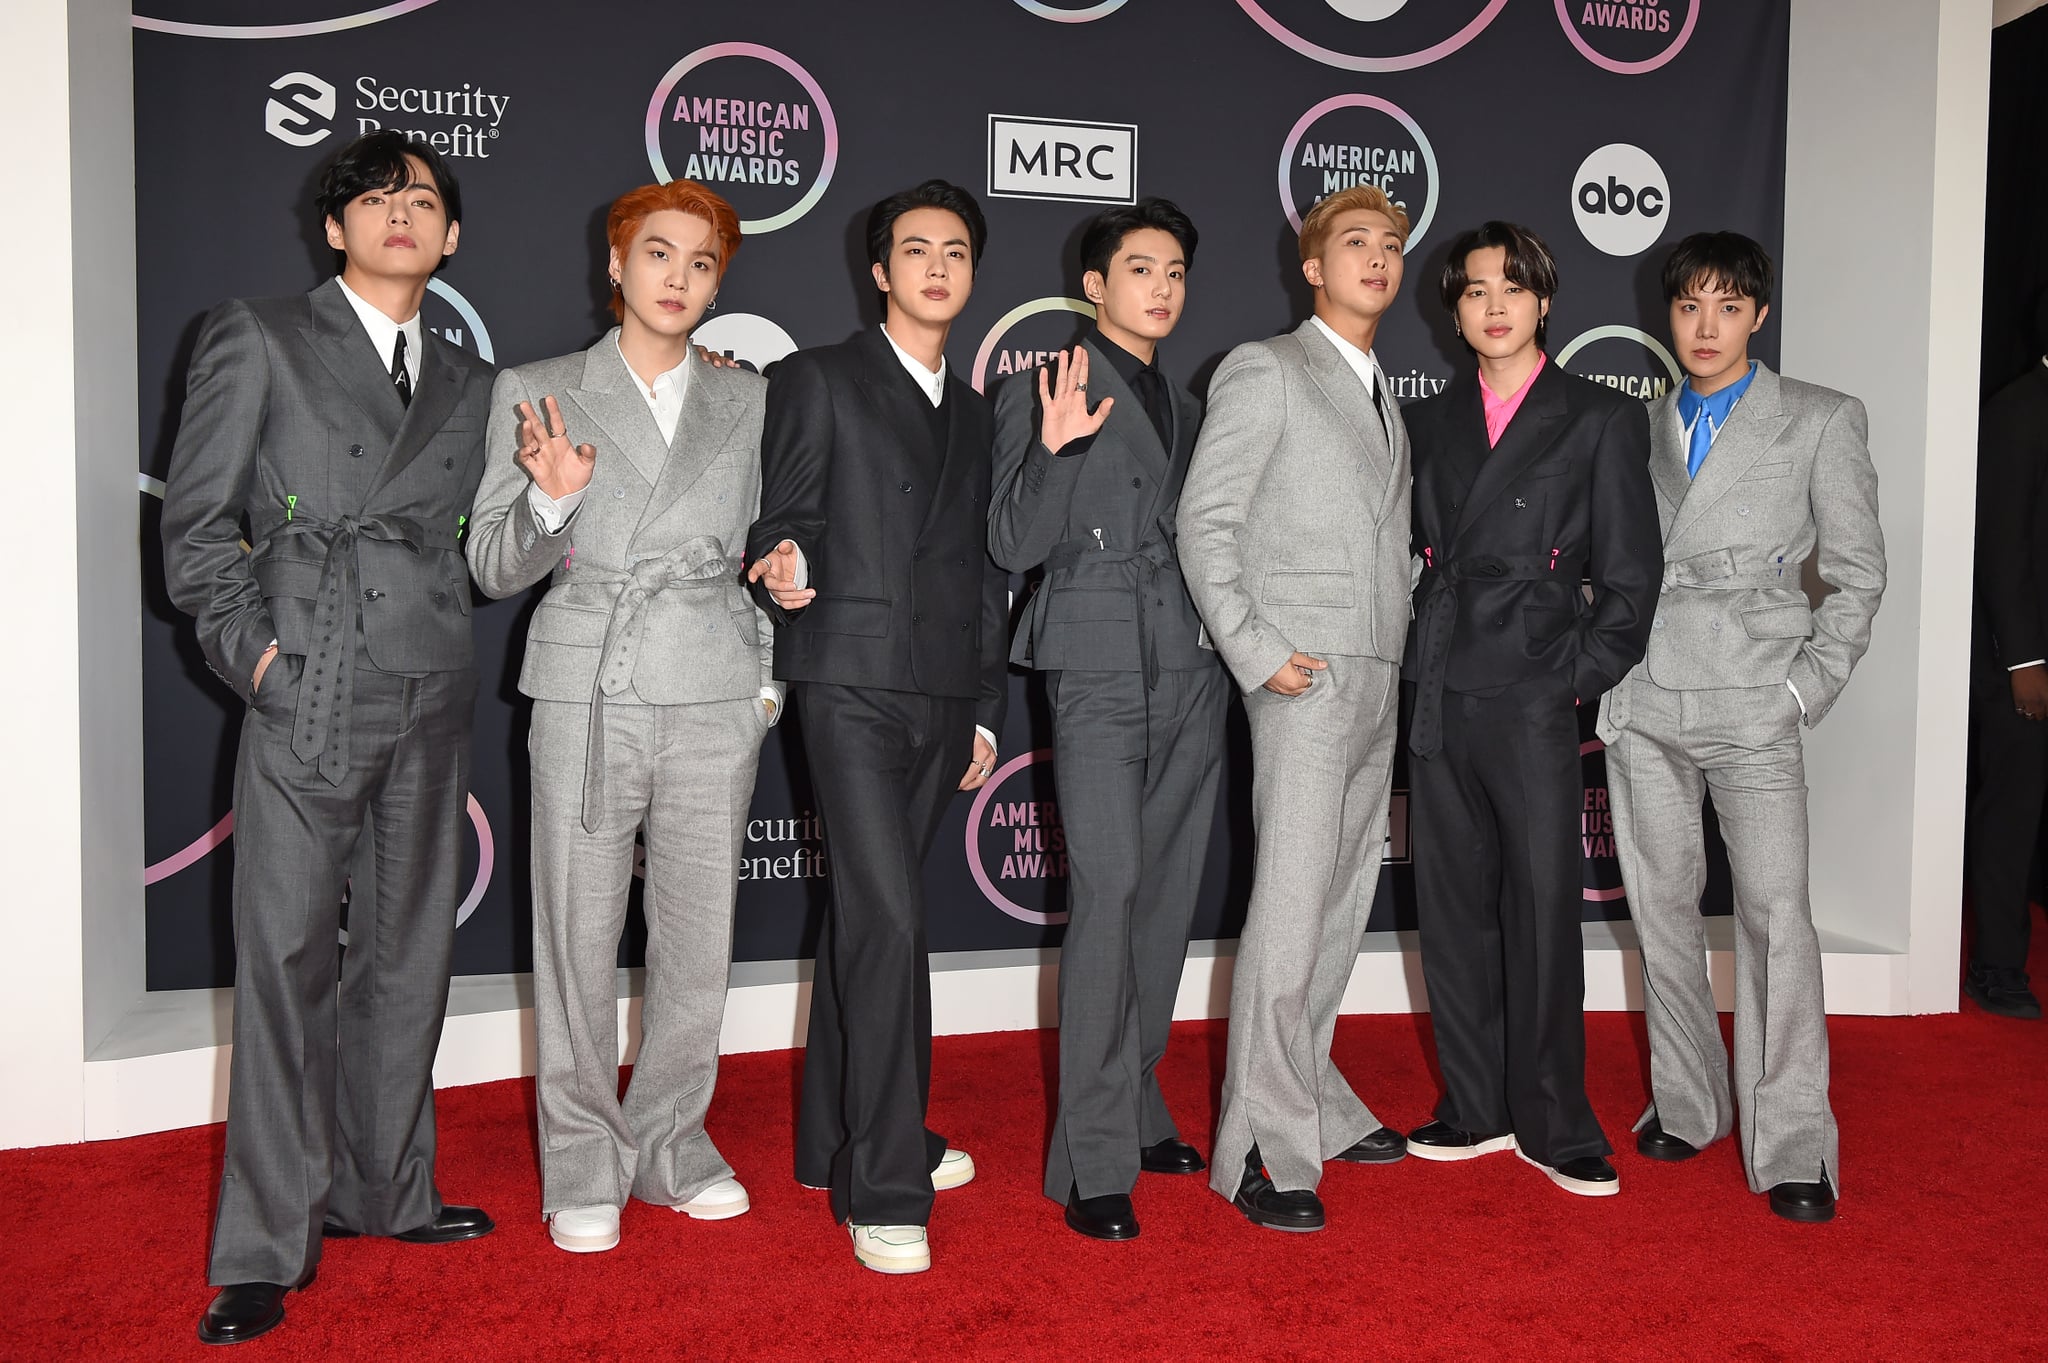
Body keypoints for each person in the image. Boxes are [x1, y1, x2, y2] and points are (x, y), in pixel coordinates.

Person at [160, 131, 496, 1345]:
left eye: (423, 198)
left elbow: (482, 541)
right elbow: (196, 532)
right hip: (307, 682)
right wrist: (259, 659)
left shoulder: (468, 373)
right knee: (286, 962)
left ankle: (386, 1188)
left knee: (408, 955)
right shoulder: (256, 334)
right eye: (374, 196)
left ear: (451, 238)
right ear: (334, 227)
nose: (400, 212)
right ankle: (263, 1243)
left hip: (431, 683)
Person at [465, 180, 777, 1254]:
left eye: (700, 263)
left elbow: (768, 551)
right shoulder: (540, 387)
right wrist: (551, 501)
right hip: (587, 682)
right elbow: (492, 565)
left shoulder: (748, 399)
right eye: (658, 255)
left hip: (712, 686)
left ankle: (674, 1143)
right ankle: (583, 1160)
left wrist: (765, 676)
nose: (677, 278)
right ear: (615, 265)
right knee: (576, 935)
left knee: (698, 941)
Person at [745, 181, 1009, 1275]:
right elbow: (784, 516)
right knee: (890, 922)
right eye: (915, 249)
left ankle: (829, 1140)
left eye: (954, 250)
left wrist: (984, 707)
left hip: (945, 692)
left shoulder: (984, 408)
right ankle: (885, 1181)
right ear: (879, 269)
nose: (936, 266)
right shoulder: (816, 377)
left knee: (873, 919)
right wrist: (784, 563)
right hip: (847, 680)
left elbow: (990, 569)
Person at [1602, 231, 1885, 1222]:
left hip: (1755, 696)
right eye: (1687, 308)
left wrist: (1802, 689)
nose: (1705, 327)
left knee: (1772, 917)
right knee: (1662, 912)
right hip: (1647, 696)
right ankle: (1686, 1101)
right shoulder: (1630, 426)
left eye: (1726, 307)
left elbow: (1857, 577)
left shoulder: (1816, 417)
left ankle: (1793, 1139)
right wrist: (1608, 680)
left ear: (1757, 316)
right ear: (1665, 315)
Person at [1175, 184, 1417, 1234]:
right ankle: (1262, 1149)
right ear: (1310, 267)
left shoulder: (1382, 392)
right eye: (1353, 244)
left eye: (1391, 245)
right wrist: (1258, 651)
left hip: (1377, 673)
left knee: (1335, 905)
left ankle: (1308, 1097)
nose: (1376, 258)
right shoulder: (1263, 369)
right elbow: (1204, 522)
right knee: (1285, 911)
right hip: (1303, 675)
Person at [1401, 221, 1659, 1200]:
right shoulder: (1425, 424)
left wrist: (1569, 677)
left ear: (1544, 300)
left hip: (1532, 693)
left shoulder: (1596, 417)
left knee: (1543, 911)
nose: (1494, 305)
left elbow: (1632, 581)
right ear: (1453, 309)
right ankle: (1473, 1107)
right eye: (1474, 290)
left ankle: (1555, 1119)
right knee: (1454, 910)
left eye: (1513, 287)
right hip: (1438, 690)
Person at [987, 199, 1225, 1241]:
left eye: (1173, 269)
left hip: (1189, 658)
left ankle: (1135, 1106)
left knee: (1167, 895)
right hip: (1088, 656)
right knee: (1110, 887)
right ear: (1093, 285)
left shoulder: (1188, 399)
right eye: (1139, 268)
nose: (1161, 287)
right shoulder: (1038, 385)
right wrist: (1046, 447)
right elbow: (1008, 542)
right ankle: (1086, 1158)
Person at [1965, 291, 2048, 1021]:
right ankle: (1997, 966)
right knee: (2012, 810)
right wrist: (2025, 658)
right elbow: (2001, 545)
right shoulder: (2019, 411)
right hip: (2020, 660)